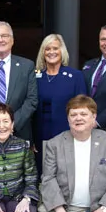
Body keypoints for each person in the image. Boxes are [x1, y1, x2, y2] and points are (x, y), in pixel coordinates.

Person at [34, 34, 87, 169]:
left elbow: (82, 107)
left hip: (67, 133)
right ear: (43, 52)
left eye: (55, 48)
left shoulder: (75, 76)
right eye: (47, 49)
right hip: (40, 134)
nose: (51, 52)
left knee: (65, 173)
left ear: (62, 51)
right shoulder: (35, 77)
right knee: (44, 173)